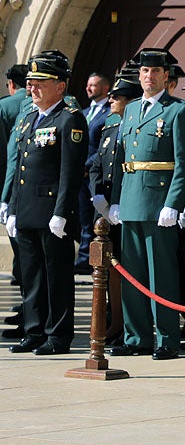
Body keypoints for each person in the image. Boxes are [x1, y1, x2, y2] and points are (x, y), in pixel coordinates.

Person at [109, 48, 185, 360]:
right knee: (133, 276)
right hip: (131, 201)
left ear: (165, 77)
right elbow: (122, 159)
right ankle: (136, 336)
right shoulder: (131, 110)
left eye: (155, 72)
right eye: (145, 72)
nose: (149, 77)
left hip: (159, 204)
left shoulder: (177, 111)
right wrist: (116, 200)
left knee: (161, 276)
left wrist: (174, 203)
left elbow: (184, 162)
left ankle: (166, 338)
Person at [4, 52, 88, 355]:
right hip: (27, 210)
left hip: (52, 212)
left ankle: (57, 334)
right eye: (30, 83)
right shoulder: (29, 119)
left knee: (56, 277)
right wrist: (12, 208)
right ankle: (34, 330)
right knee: (31, 277)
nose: (33, 88)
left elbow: (70, 171)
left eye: (41, 82)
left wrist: (62, 213)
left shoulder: (69, 119)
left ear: (60, 86)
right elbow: (19, 170)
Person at [90, 70, 143, 344]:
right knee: (110, 272)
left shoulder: (137, 126)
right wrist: (97, 194)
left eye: (118, 97)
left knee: (131, 272)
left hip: (131, 208)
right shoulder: (111, 125)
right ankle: (116, 324)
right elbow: (97, 164)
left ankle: (133, 326)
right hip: (107, 211)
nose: (111, 101)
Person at [75, 72, 112, 274]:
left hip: (94, 173)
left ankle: (90, 258)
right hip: (80, 173)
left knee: (95, 218)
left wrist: (87, 166)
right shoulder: (85, 111)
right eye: (88, 85)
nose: (89, 88)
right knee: (82, 217)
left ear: (105, 88)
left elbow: (102, 146)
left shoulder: (108, 112)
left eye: (94, 85)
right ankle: (83, 255)